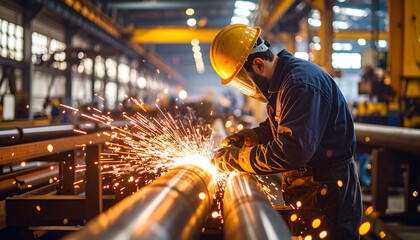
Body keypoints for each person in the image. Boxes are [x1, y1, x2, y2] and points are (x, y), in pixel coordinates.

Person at [210, 24, 362, 239]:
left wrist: (236, 158)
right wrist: (248, 137)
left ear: (258, 64)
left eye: (244, 81)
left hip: (327, 192)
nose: (248, 88)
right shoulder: (284, 82)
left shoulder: (300, 85)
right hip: (313, 186)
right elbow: (283, 129)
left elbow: (290, 151)